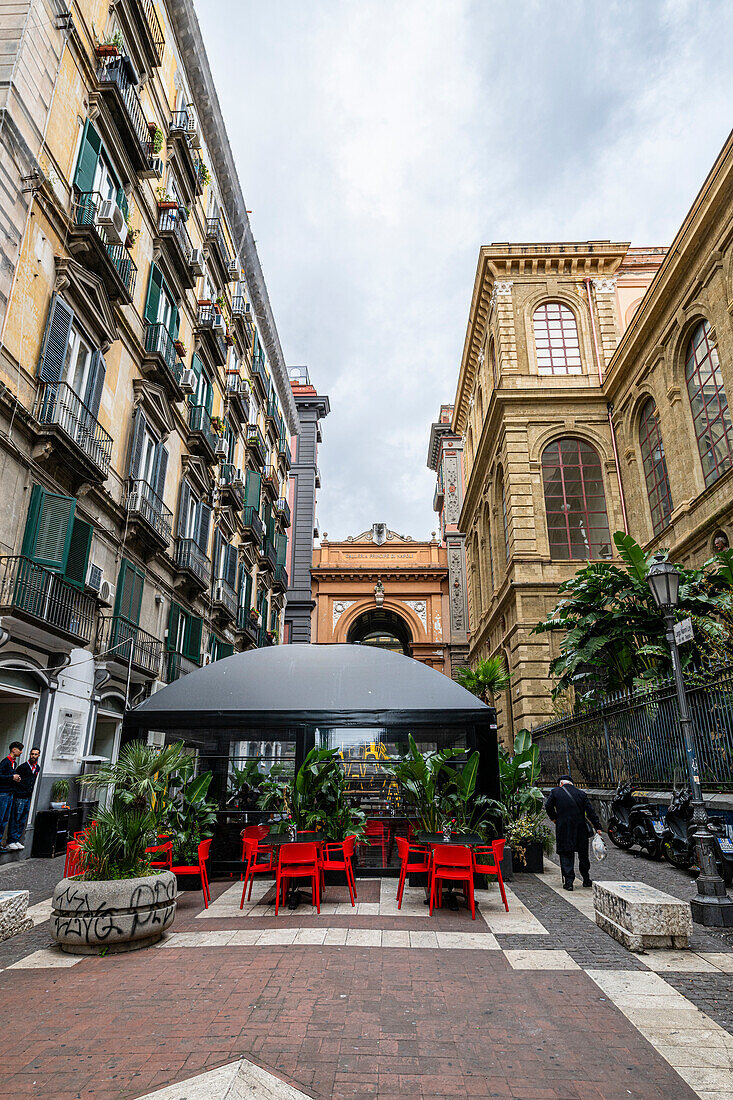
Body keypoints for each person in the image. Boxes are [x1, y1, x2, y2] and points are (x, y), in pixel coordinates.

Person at [545, 774, 602, 891]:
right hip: (580, 828)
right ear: (572, 783)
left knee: (566, 853)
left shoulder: (556, 792)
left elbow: (548, 806)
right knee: (583, 855)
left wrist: (554, 818)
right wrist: (597, 826)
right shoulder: (581, 794)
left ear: (561, 784)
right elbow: (590, 811)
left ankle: (569, 882)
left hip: (564, 827)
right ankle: (586, 879)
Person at [6, 747, 41, 851]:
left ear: (38, 756)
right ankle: (11, 841)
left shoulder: (37, 768)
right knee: (16, 817)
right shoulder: (23, 767)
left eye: (35, 754)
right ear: (29, 754)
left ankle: (16, 839)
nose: (33, 756)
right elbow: (16, 780)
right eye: (32, 754)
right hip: (20, 796)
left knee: (22, 819)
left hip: (28, 796)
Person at [0, 741, 23, 848]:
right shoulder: (5, 762)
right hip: (3, 793)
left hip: (9, 793)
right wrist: (11, 777)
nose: (21, 752)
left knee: (4, 819)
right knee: (1, 818)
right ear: (14, 749)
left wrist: (16, 778)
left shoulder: (14, 763)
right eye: (19, 749)